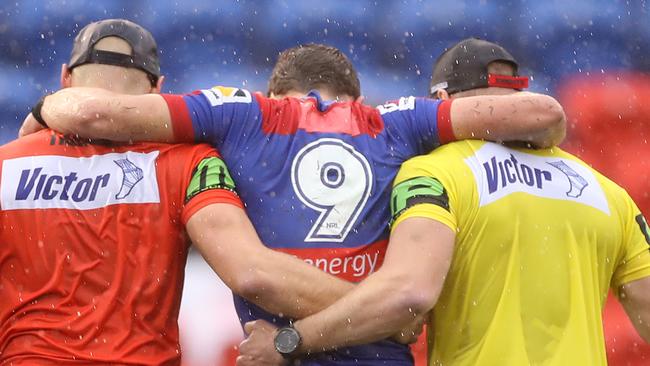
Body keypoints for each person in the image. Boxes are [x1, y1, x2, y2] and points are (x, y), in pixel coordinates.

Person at [20, 42, 566, 365]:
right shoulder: (398, 119)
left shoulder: (239, 113)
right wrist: (381, 315)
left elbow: (93, 115)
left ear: (275, 90)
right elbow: (539, 115)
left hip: (274, 353)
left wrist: (45, 109)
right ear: (354, 98)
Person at [238, 38, 650, 366]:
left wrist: (291, 341)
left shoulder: (432, 173)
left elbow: (408, 295)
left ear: (442, 102)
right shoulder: (608, 192)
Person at [1, 20, 361, 365]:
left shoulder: (6, 164)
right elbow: (253, 273)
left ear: (65, 77)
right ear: (156, 88)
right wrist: (376, 309)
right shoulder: (190, 163)